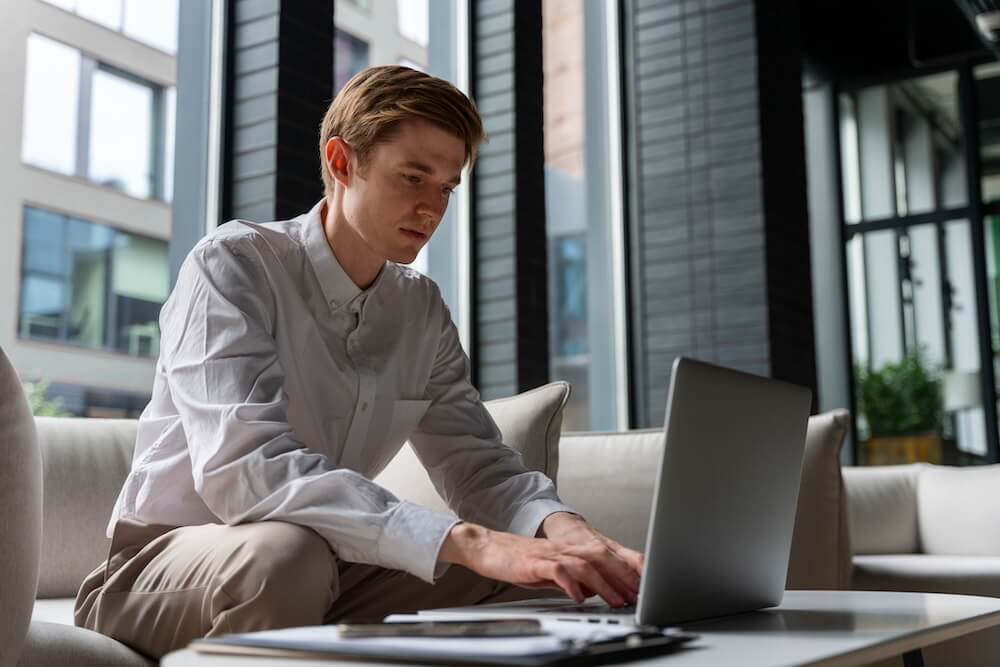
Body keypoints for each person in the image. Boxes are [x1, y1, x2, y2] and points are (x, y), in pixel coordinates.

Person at [74, 65, 643, 659]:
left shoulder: (419, 308)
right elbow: (245, 471)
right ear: (342, 163)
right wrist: (466, 539)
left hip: (326, 560)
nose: (431, 208)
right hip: (166, 569)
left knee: (534, 566)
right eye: (413, 177)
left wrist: (569, 535)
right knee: (289, 556)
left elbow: (480, 467)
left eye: (446, 187)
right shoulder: (233, 265)